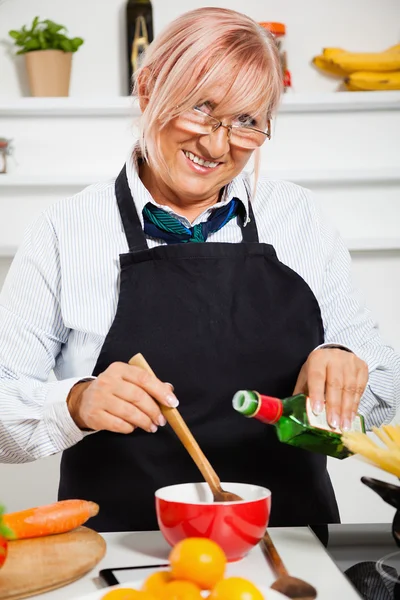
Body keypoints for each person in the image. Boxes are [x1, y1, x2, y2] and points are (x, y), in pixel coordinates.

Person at [0, 7, 399, 537]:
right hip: (123, 551)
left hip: (291, 550)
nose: (216, 146)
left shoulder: (297, 218)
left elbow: (384, 397)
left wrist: (347, 366)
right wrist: (75, 402)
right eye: (201, 108)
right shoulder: (64, 230)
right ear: (148, 92)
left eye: (247, 121)